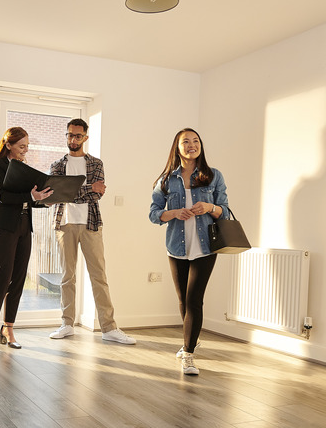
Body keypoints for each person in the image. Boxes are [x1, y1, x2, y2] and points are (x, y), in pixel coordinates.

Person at [148, 128, 229, 375]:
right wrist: (173, 213)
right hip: (177, 246)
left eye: (195, 141)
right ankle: (189, 341)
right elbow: (153, 214)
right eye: (186, 142)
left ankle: (189, 354)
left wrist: (210, 207)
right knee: (183, 300)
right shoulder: (165, 180)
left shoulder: (213, 176)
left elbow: (224, 210)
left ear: (200, 146)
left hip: (205, 247)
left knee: (195, 299)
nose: (191, 145)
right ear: (178, 147)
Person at [48, 118, 136, 345]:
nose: (72, 139)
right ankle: (67, 324)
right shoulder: (57, 164)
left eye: (77, 136)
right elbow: (57, 194)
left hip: (91, 224)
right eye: (69, 135)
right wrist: (84, 188)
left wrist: (71, 190)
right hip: (64, 224)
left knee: (99, 276)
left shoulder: (96, 164)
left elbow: (98, 194)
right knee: (67, 277)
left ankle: (109, 327)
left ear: (85, 137)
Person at [0, 127, 54, 356]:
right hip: (4, 227)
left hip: (24, 228)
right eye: (22, 146)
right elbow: (3, 196)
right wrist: (31, 197)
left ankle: (8, 329)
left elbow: (27, 198)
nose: (25, 150)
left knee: (19, 279)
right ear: (9, 144)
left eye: (27, 146)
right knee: (2, 279)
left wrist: (43, 200)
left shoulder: (23, 169)